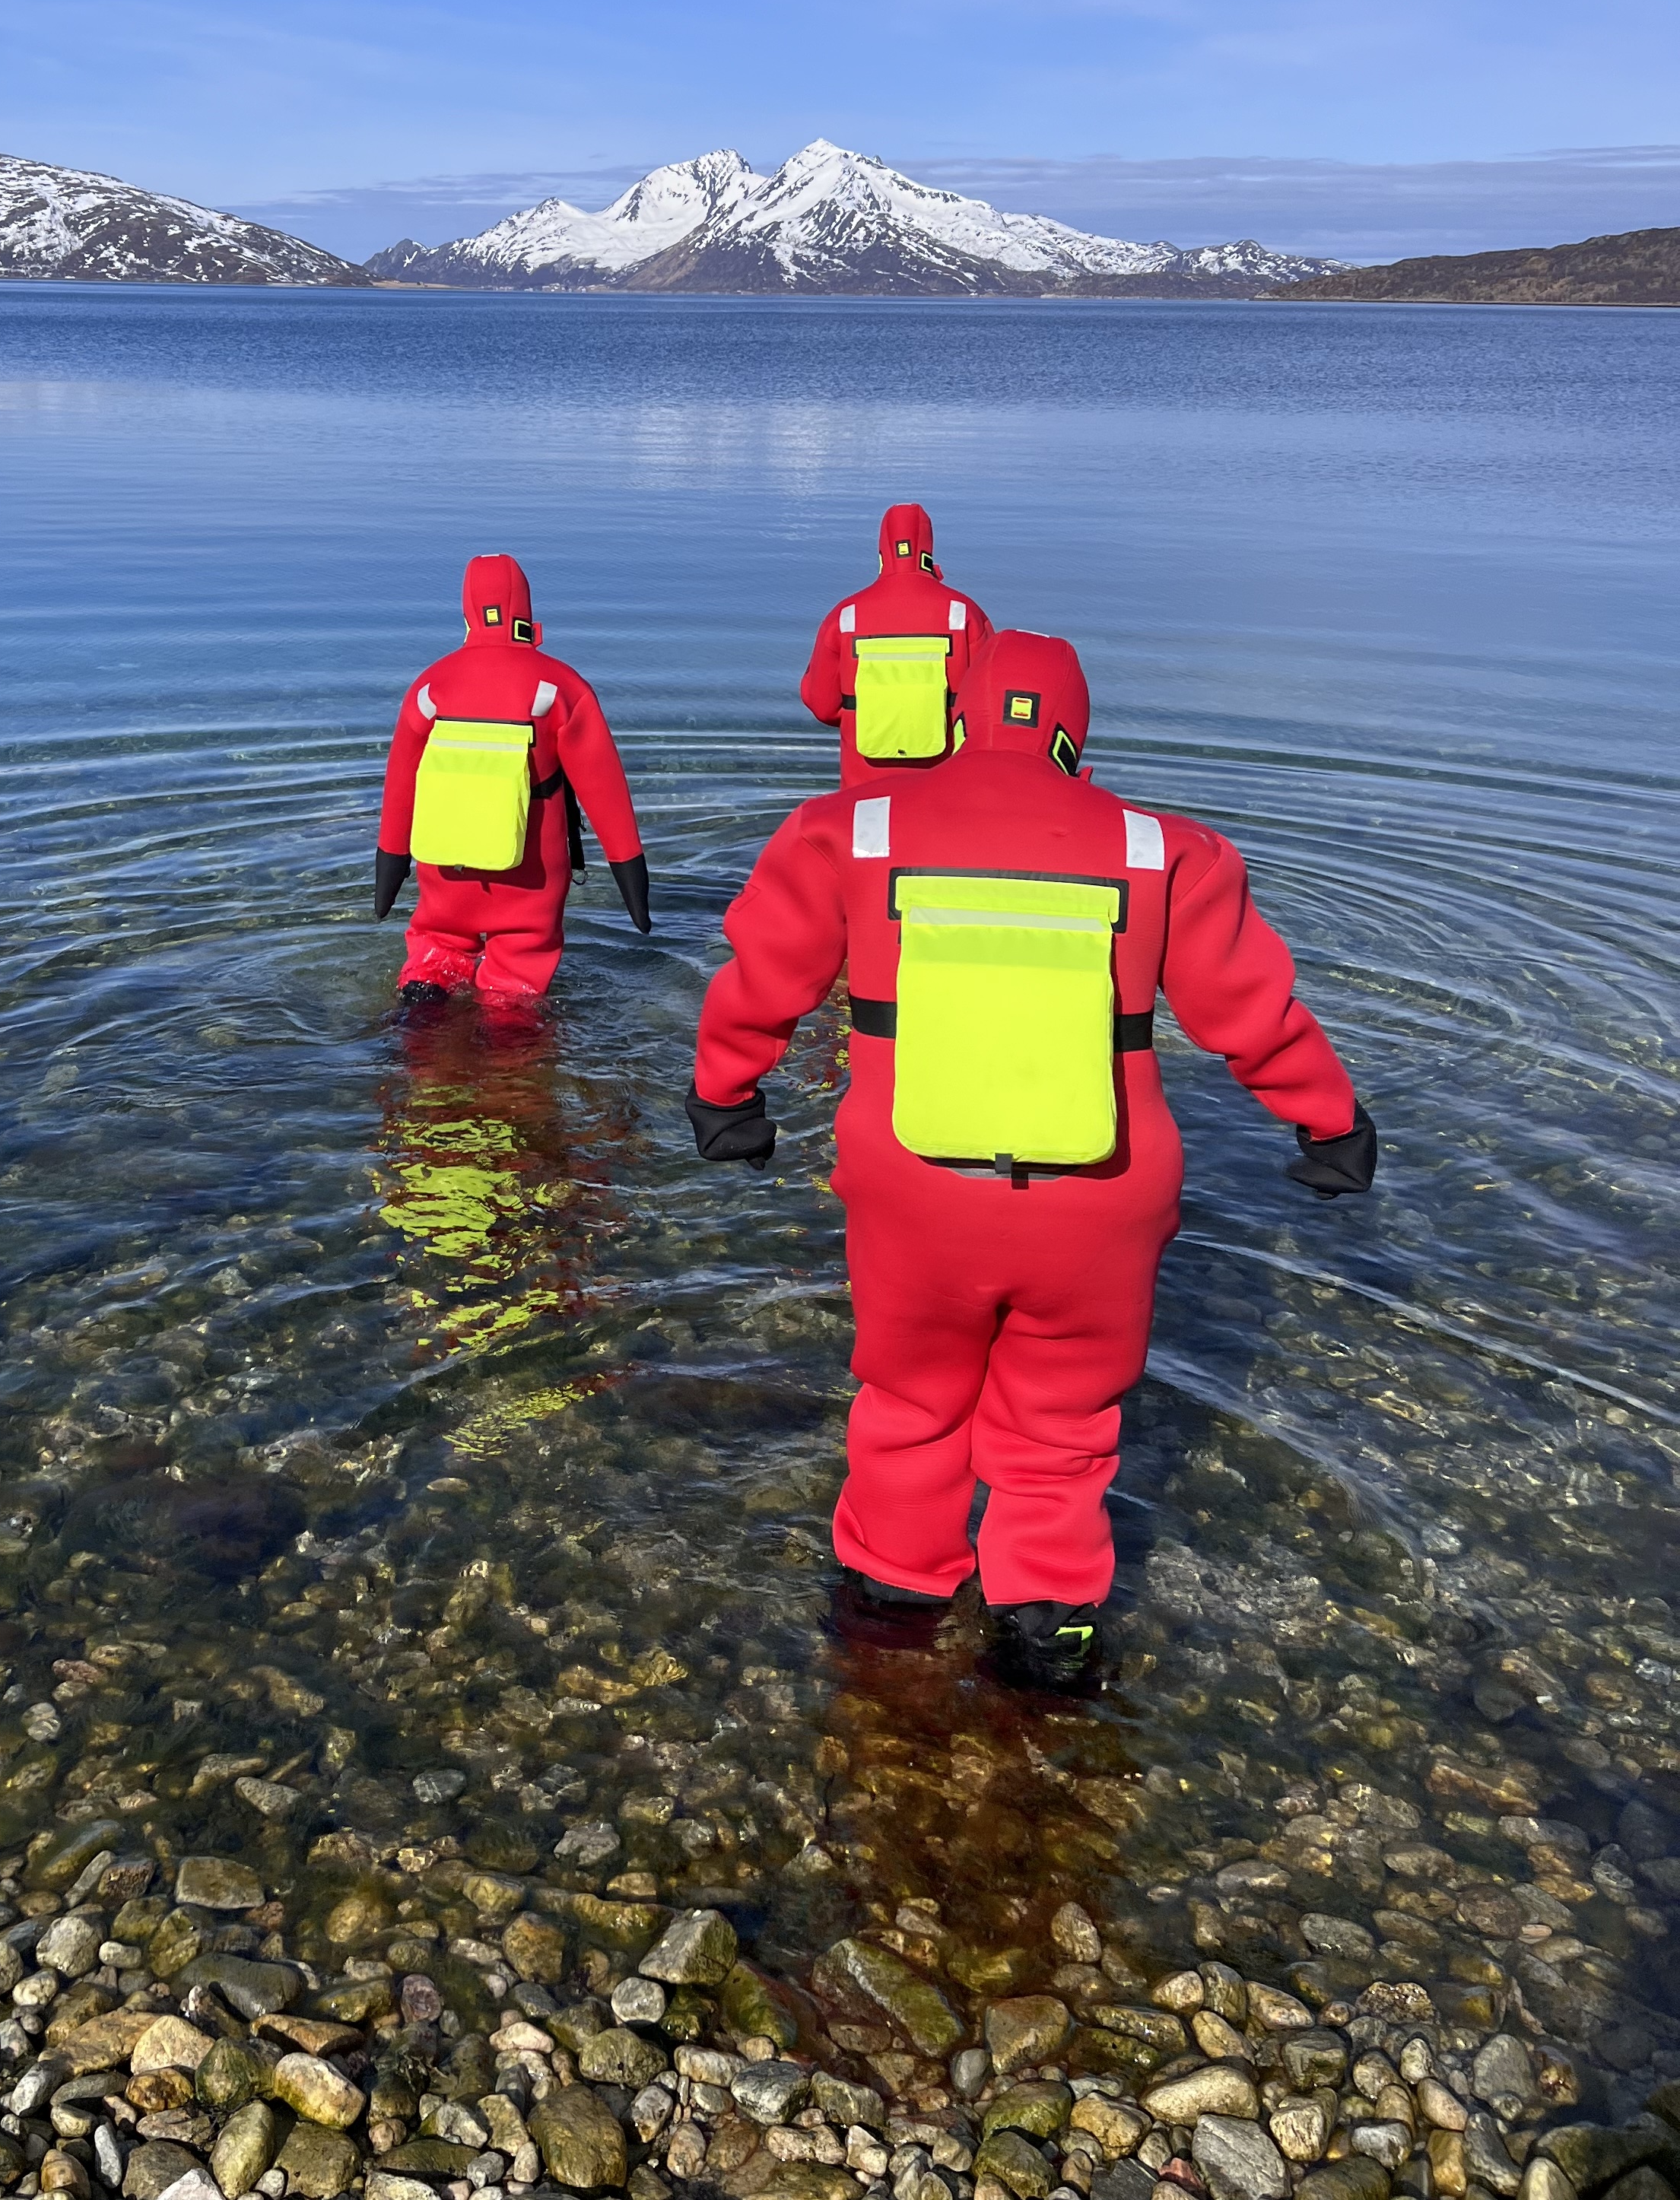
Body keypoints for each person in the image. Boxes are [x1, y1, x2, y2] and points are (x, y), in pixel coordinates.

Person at [684, 627, 1374, 1685]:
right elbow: (1256, 1018)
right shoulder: (1167, 851)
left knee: (911, 1406)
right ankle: (1047, 1639)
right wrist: (1329, 1125)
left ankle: (888, 1613)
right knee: (1061, 1426)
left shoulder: (852, 829)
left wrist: (725, 1097)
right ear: (1074, 733)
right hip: (1101, 1205)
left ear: (956, 718)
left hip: (915, 1191)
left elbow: (760, 980)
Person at [373, 553, 649, 1005]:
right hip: (533, 868)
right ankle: (510, 1044)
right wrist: (632, 881)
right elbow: (606, 791)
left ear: (465, 610)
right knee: (519, 973)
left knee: (435, 950)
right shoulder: (559, 687)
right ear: (526, 607)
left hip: (447, 866)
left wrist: (389, 867)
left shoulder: (431, 687)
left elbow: (401, 785)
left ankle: (420, 1029)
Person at [799, 502, 993, 787]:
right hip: (947, 784)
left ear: (882, 551)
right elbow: (990, 703)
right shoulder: (964, 614)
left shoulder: (846, 616)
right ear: (928, 548)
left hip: (863, 784)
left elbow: (822, 705)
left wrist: (872, 714)